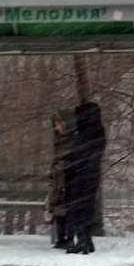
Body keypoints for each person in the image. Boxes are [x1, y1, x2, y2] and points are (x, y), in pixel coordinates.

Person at [65, 101, 106, 255]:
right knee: (86, 207)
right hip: (91, 174)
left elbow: (77, 154)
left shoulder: (85, 134)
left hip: (80, 175)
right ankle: (86, 240)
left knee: (78, 207)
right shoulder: (98, 131)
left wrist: (71, 164)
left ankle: (83, 240)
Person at [47, 109, 75, 250]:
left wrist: (62, 166)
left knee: (68, 208)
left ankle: (69, 238)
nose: (56, 127)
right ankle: (61, 237)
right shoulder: (58, 140)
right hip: (59, 177)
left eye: (58, 124)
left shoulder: (71, 139)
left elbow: (71, 157)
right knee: (58, 207)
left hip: (68, 176)